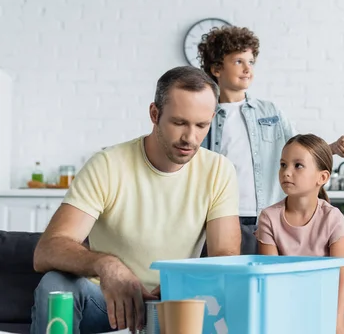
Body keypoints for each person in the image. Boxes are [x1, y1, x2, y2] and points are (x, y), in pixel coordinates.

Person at [31, 66, 241, 334]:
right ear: (154, 114)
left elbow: (226, 256)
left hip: (177, 304)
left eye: (201, 125)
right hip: (109, 305)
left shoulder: (219, 171)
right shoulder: (107, 165)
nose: (190, 137)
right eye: (179, 123)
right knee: (55, 284)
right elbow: (47, 249)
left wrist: (185, 281)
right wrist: (107, 266)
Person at [198, 26, 344, 225]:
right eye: (238, 61)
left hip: (267, 214)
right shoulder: (202, 115)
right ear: (216, 69)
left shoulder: (270, 112)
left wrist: (332, 148)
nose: (248, 69)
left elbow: (301, 149)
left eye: (251, 62)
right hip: (219, 214)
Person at [255, 134, 344, 334]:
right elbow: (270, 280)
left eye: (298, 165)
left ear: (322, 177)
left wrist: (337, 319)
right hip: (281, 308)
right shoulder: (268, 218)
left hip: (325, 308)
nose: (286, 172)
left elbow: (341, 277)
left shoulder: (333, 218)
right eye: (283, 165)